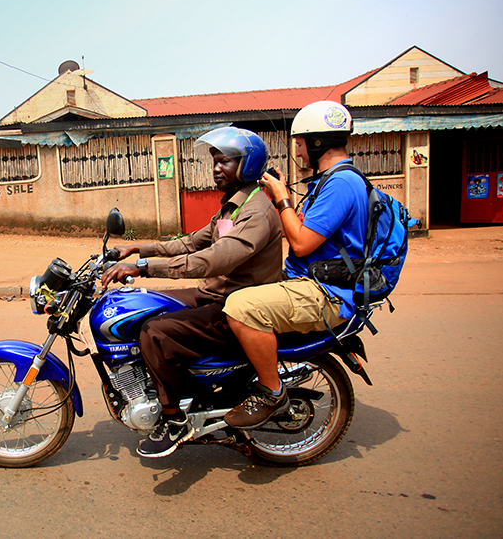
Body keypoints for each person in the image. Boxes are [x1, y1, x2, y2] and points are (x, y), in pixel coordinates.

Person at [101, 126, 283, 458]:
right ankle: (168, 384)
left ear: (248, 165)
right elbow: (190, 242)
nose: (216, 168)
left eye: (224, 161)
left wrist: (143, 268)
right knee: (146, 306)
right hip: (215, 294)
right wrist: (136, 249)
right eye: (214, 161)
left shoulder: (256, 211)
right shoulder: (232, 207)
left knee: (155, 332)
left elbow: (211, 260)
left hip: (237, 305)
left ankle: (173, 419)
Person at [222, 100, 368, 429]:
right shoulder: (333, 181)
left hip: (326, 293)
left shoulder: (341, 184)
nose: (298, 153)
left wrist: (280, 198)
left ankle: (272, 393)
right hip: (314, 281)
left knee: (240, 307)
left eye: (300, 144)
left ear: (318, 142)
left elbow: (301, 242)